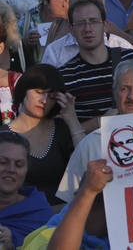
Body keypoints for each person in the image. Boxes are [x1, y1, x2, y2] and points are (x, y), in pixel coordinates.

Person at [55, 58, 133, 202]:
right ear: (115, 94)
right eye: (124, 89)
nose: (132, 96)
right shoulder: (91, 144)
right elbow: (69, 205)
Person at [0, 64, 83, 206]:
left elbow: (87, 163)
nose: (44, 100)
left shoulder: (62, 129)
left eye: (51, 97)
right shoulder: (4, 135)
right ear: (23, 90)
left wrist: (73, 122)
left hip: (64, 215)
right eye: (38, 92)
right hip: (23, 217)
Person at [60, 0, 133, 132]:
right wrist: (100, 122)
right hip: (93, 150)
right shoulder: (65, 76)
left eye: (94, 21)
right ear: (71, 29)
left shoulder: (131, 60)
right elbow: (63, 133)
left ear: (105, 25)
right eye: (80, 23)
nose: (87, 28)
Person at [41, 0, 133, 68]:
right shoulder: (54, 52)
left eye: (91, 7)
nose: (87, 28)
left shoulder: (123, 48)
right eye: (78, 7)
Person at [0, 131, 53, 248]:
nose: (11, 169)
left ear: (26, 169)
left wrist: (10, 248)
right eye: (3, 162)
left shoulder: (39, 213)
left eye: (19, 165)